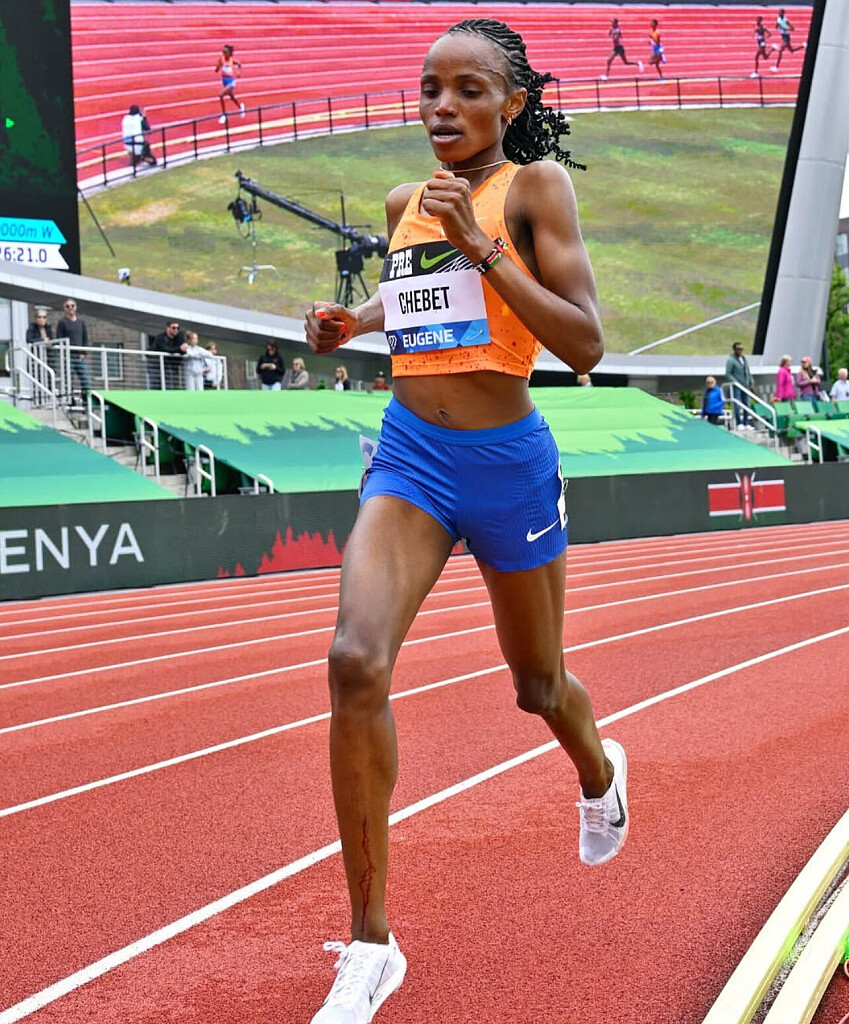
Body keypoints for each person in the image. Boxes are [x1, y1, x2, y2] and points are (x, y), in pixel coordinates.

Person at [303, 18, 627, 1024]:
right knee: (354, 661)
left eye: (468, 90)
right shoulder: (405, 202)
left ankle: (599, 769)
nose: (443, 107)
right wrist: (351, 323)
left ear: (511, 104)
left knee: (537, 686)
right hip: (412, 456)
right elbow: (415, 306)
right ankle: (371, 943)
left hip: (507, 465)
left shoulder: (535, 189)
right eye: (430, 89)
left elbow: (584, 344)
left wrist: (481, 243)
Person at [55, 298, 91, 407]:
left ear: (76, 307)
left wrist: (84, 353)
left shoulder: (81, 322)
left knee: (86, 380)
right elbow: (59, 338)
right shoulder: (62, 322)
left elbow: (85, 338)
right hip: (68, 356)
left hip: (80, 357)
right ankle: (71, 402)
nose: (70, 308)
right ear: (64, 309)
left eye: (72, 306)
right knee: (68, 380)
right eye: (67, 306)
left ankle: (86, 403)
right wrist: (64, 354)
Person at [148, 320, 186, 389]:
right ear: (168, 328)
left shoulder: (179, 337)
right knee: (155, 386)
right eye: (173, 328)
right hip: (155, 364)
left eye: (178, 328)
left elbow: (182, 351)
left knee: (168, 386)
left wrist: (182, 349)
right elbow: (165, 349)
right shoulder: (160, 337)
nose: (176, 330)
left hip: (168, 366)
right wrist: (179, 349)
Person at [725, 341, 754, 429]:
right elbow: (728, 374)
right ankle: (738, 423)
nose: (740, 351)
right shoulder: (731, 360)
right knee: (736, 404)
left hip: (745, 385)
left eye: (741, 349)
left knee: (746, 404)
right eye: (738, 349)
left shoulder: (744, 359)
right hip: (737, 386)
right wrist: (735, 382)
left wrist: (751, 381)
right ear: (734, 350)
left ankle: (746, 423)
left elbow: (747, 371)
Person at [215, 44, 245, 124]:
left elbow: (239, 64)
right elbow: (217, 68)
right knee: (232, 97)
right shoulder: (221, 59)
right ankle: (241, 107)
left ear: (230, 53)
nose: (224, 53)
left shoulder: (232, 60)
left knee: (220, 94)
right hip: (224, 81)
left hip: (231, 82)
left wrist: (238, 72)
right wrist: (217, 68)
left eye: (225, 52)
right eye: (223, 52)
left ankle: (224, 115)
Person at [121, 104, 156, 168]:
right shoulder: (139, 119)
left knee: (137, 143)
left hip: (126, 144)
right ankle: (142, 157)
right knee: (153, 161)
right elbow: (148, 130)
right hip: (138, 145)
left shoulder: (125, 118)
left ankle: (136, 157)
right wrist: (144, 117)